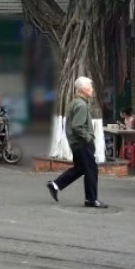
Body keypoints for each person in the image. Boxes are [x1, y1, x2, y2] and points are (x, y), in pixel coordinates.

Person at [47, 77, 108, 208]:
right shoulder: (81, 105)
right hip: (82, 143)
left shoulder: (75, 102)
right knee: (91, 170)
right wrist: (88, 137)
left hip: (76, 143)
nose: (92, 90)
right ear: (84, 90)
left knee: (80, 168)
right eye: (90, 87)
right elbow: (77, 126)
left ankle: (55, 185)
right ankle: (91, 199)